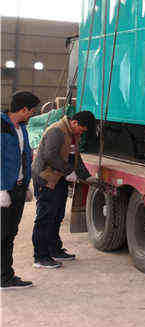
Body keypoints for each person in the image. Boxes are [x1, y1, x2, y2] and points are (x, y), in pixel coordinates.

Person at [31, 110, 94, 268]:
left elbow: (76, 158)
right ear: (75, 122)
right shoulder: (57, 131)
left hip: (59, 179)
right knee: (45, 217)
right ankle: (40, 257)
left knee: (57, 215)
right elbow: (50, 156)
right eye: (81, 129)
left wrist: (87, 177)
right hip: (46, 179)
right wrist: (69, 171)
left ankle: (54, 249)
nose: (81, 133)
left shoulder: (73, 134)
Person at [1, 91, 39, 289]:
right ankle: (4, 277)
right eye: (31, 111)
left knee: (10, 233)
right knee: (3, 234)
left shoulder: (22, 128)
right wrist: (1, 189)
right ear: (24, 109)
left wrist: (26, 185)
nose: (32, 114)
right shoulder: (2, 127)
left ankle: (6, 274)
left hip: (18, 188)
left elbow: (25, 156)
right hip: (4, 191)